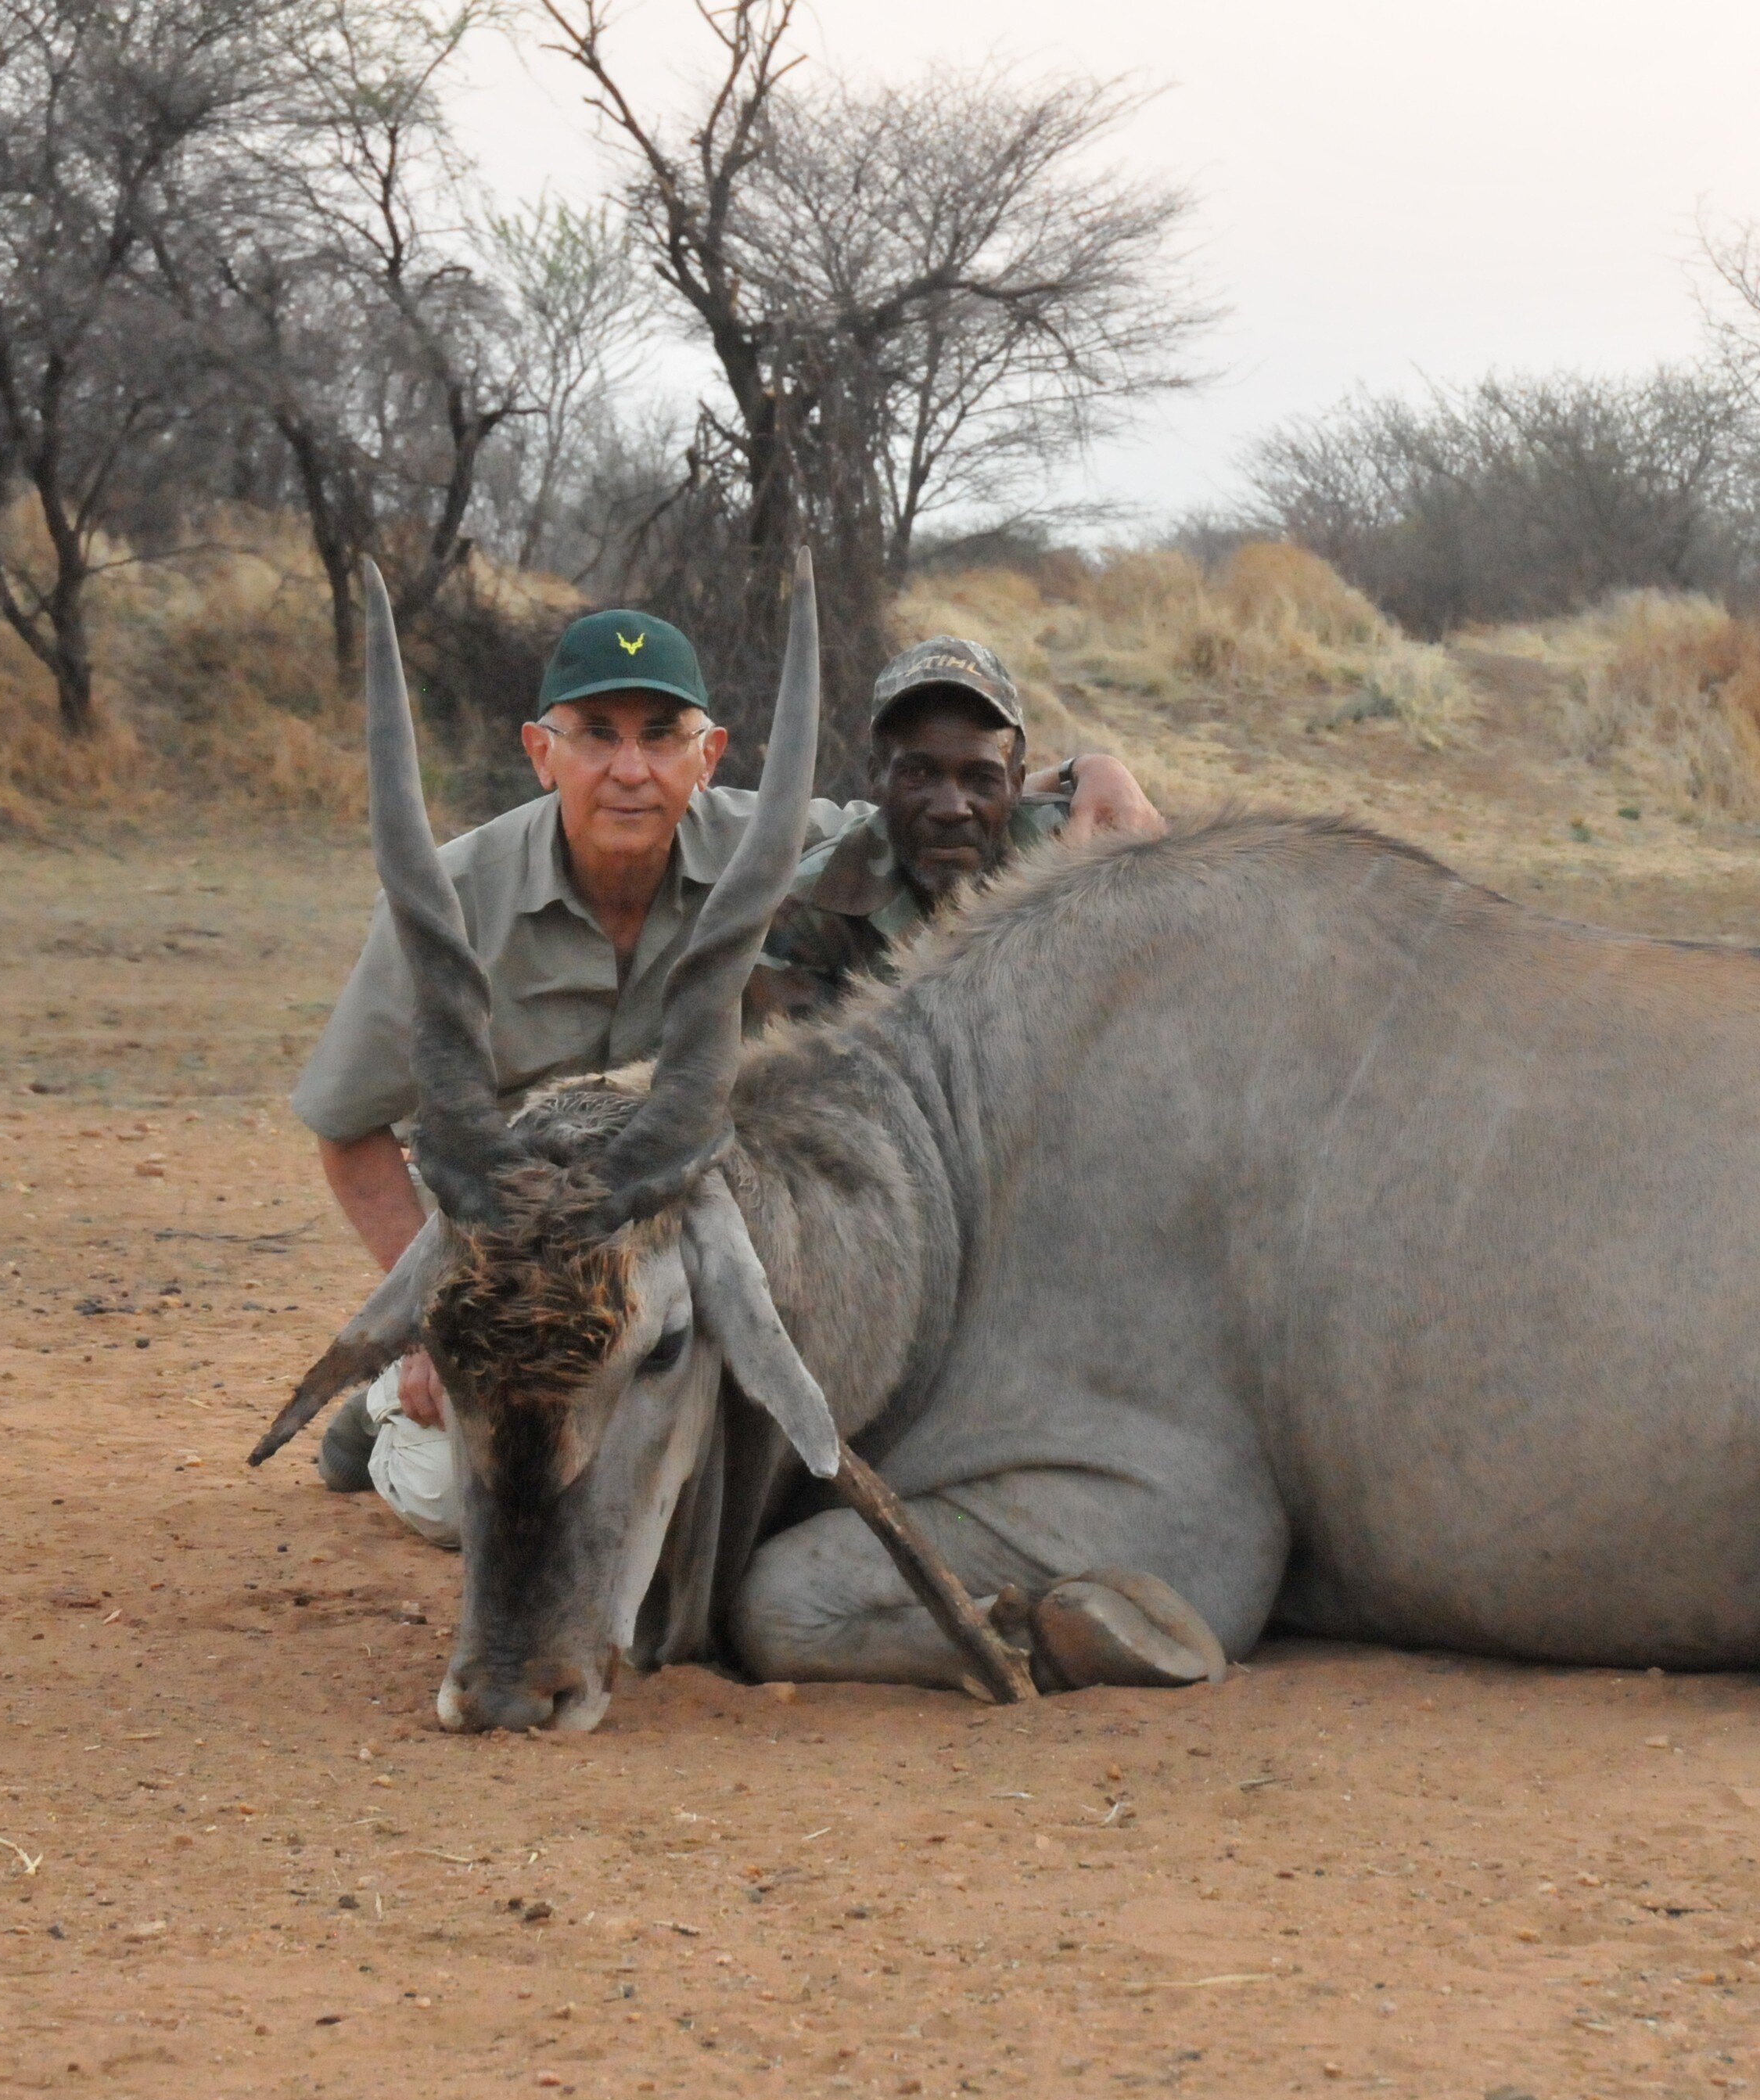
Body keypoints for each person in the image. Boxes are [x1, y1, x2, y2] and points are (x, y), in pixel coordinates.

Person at [294, 607, 1159, 1532]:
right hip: (504, 1263)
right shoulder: (452, 892)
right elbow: (348, 1131)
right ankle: (396, 1401)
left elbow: (941, 804)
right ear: (541, 752)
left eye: (662, 736)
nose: (632, 770)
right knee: (477, 1506)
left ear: (709, 757)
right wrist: (439, 1315)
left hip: (666, 1255)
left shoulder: (778, 845)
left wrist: (1089, 770)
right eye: (596, 736)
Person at [745, 633, 1155, 1023]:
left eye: (981, 778)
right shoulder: (806, 909)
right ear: (875, 779)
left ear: (1017, 784)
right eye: (919, 774)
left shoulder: (1080, 853)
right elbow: (789, 1081)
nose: (951, 809)